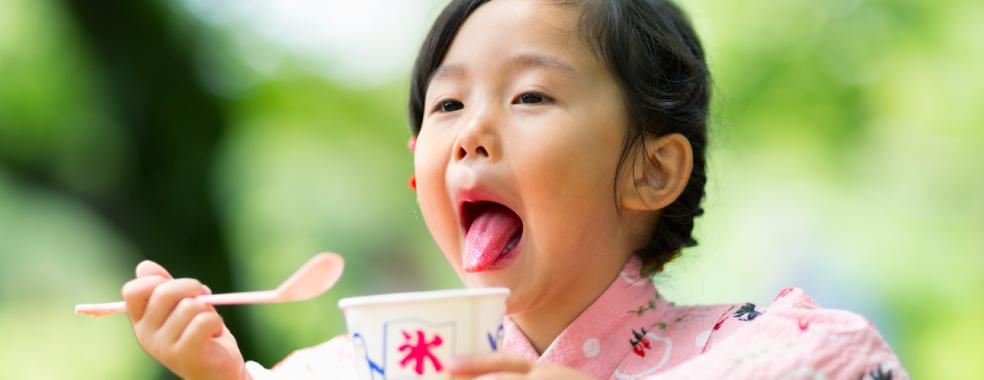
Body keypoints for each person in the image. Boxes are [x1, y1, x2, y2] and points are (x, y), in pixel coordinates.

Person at [120, 0, 909, 379]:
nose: (470, 132)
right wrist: (221, 375)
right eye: (447, 105)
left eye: (530, 96)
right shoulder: (372, 368)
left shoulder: (746, 353)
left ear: (653, 168)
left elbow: (848, 361)